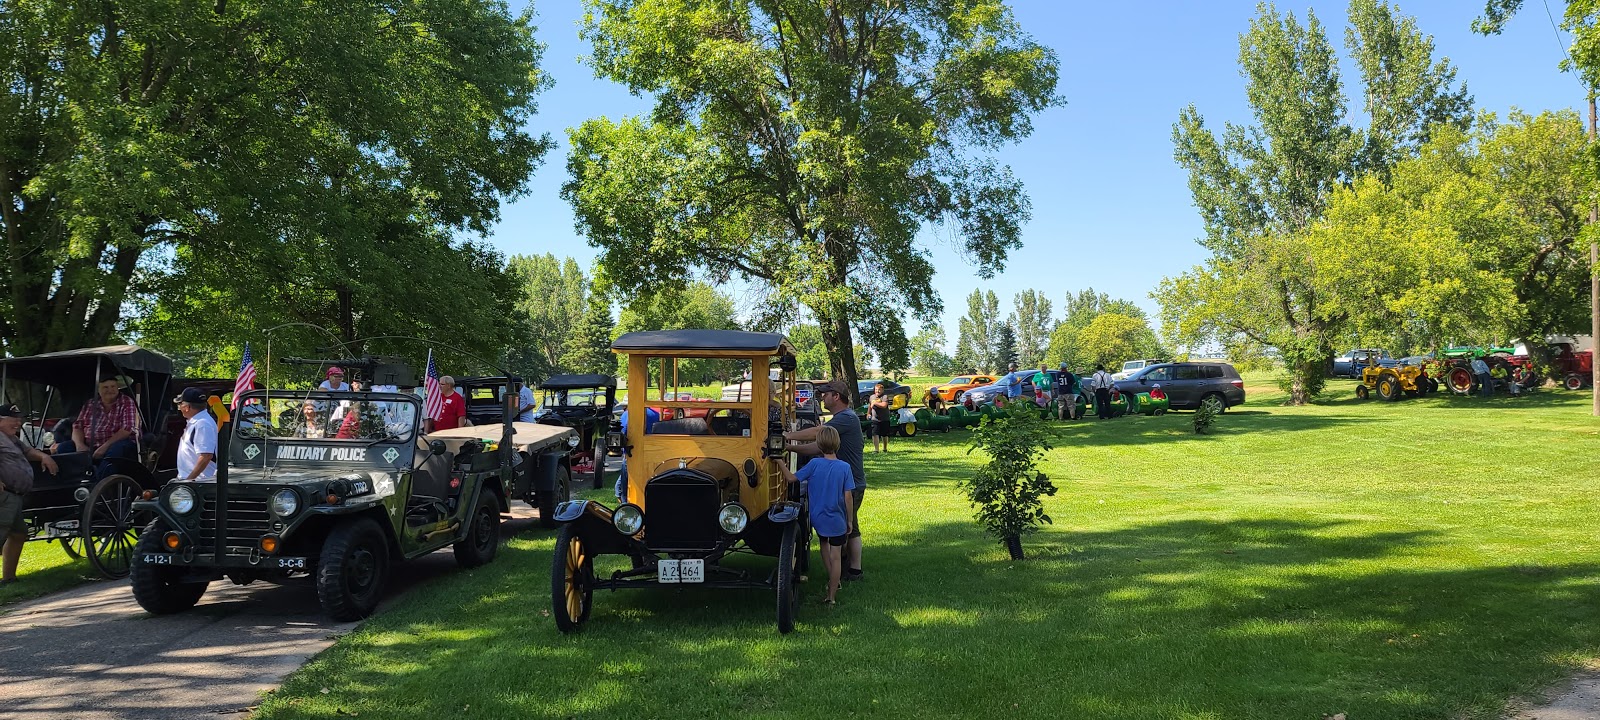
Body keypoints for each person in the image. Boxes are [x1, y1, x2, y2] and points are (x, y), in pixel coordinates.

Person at [785, 381, 865, 581]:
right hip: (846, 482)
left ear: (836, 396)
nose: (822, 397)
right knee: (850, 527)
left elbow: (817, 433)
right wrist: (790, 447)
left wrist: (787, 436)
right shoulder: (843, 418)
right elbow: (817, 447)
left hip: (850, 484)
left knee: (846, 528)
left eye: (825, 394)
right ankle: (850, 569)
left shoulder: (846, 418)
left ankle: (848, 571)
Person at [778, 425, 854, 605]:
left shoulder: (814, 464)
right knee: (836, 556)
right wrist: (849, 520)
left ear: (819, 445)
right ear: (838, 443)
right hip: (838, 520)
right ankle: (831, 595)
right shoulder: (845, 467)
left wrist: (779, 461)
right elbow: (848, 497)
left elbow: (791, 478)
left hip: (818, 518)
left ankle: (831, 577)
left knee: (823, 544)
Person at [1, 404, 58, 585]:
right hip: (4, 496)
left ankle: (9, 578)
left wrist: (43, 456)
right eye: (13, 419)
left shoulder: (11, 439)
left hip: (15, 496)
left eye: (19, 419)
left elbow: (27, 451)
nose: (18, 423)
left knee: (19, 533)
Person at [55, 376, 139, 477]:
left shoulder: (126, 402)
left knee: (117, 451)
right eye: (105, 387)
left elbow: (127, 429)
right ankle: (75, 480)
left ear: (118, 388)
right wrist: (79, 445)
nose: (110, 390)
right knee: (63, 448)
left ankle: (100, 482)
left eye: (113, 386)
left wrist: (104, 447)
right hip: (90, 445)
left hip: (117, 443)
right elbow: (78, 426)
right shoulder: (91, 403)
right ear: (98, 390)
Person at [613, 405, 661, 502]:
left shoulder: (627, 415)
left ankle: (624, 502)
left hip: (632, 452)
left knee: (625, 484)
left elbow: (623, 433)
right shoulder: (656, 415)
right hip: (651, 453)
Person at [174, 388, 218, 482]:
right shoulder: (199, 422)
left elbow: (206, 456)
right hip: (195, 481)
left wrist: (189, 480)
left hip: (200, 482)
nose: (179, 408)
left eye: (180, 404)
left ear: (187, 407)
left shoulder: (202, 424)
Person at [869, 382, 891, 453]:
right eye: (876, 389)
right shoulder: (872, 397)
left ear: (882, 390)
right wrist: (868, 413)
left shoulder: (885, 397)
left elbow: (884, 405)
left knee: (884, 435)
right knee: (875, 434)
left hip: (884, 419)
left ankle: (885, 448)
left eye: (879, 390)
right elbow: (870, 406)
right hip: (875, 419)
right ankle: (876, 449)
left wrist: (875, 403)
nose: (877, 391)